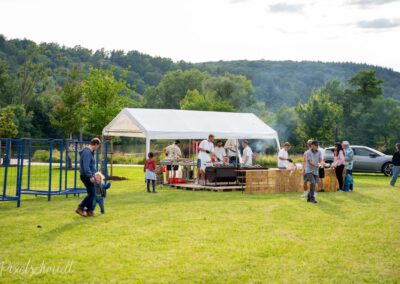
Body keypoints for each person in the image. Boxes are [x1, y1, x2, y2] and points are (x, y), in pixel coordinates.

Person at [75, 137, 101, 217]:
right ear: (96, 144)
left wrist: (97, 174)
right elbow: (86, 167)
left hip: (89, 175)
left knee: (92, 193)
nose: (97, 148)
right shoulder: (87, 152)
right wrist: (90, 176)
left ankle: (89, 211)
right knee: (92, 193)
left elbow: (91, 166)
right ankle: (80, 207)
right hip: (86, 176)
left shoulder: (90, 152)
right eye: (98, 146)